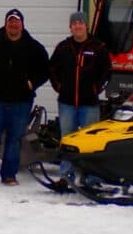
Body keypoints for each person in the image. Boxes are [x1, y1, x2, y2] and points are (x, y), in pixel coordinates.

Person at [0, 8, 49, 186]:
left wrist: (31, 83)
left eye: (16, 22)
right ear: (6, 24)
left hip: (21, 103)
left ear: (22, 24)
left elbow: (45, 70)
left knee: (14, 140)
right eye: (10, 22)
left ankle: (9, 175)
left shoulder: (33, 47)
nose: (13, 25)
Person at [48, 11, 112, 186]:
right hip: (67, 103)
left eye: (80, 23)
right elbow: (52, 69)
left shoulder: (98, 47)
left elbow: (107, 71)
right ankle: (66, 175)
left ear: (86, 26)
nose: (77, 26)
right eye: (74, 23)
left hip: (89, 104)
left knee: (91, 141)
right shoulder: (63, 47)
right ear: (70, 27)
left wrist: (95, 89)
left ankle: (92, 176)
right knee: (68, 139)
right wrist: (59, 87)